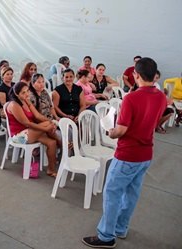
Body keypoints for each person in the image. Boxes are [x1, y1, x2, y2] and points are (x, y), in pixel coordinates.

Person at [82, 57, 167, 248]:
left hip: (128, 154)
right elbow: (153, 121)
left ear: (135, 75)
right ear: (155, 76)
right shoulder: (161, 97)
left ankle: (106, 236)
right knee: (131, 193)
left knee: (112, 193)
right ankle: (120, 228)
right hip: (146, 154)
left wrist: (109, 131)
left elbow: (120, 130)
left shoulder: (132, 98)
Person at [6, 82, 58, 176]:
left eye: (27, 91)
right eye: (23, 92)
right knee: (48, 125)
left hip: (30, 132)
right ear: (17, 94)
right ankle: (62, 144)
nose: (27, 94)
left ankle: (51, 169)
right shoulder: (14, 105)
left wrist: (52, 122)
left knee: (52, 143)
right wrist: (46, 128)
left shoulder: (26, 100)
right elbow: (27, 123)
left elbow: (37, 116)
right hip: (19, 135)